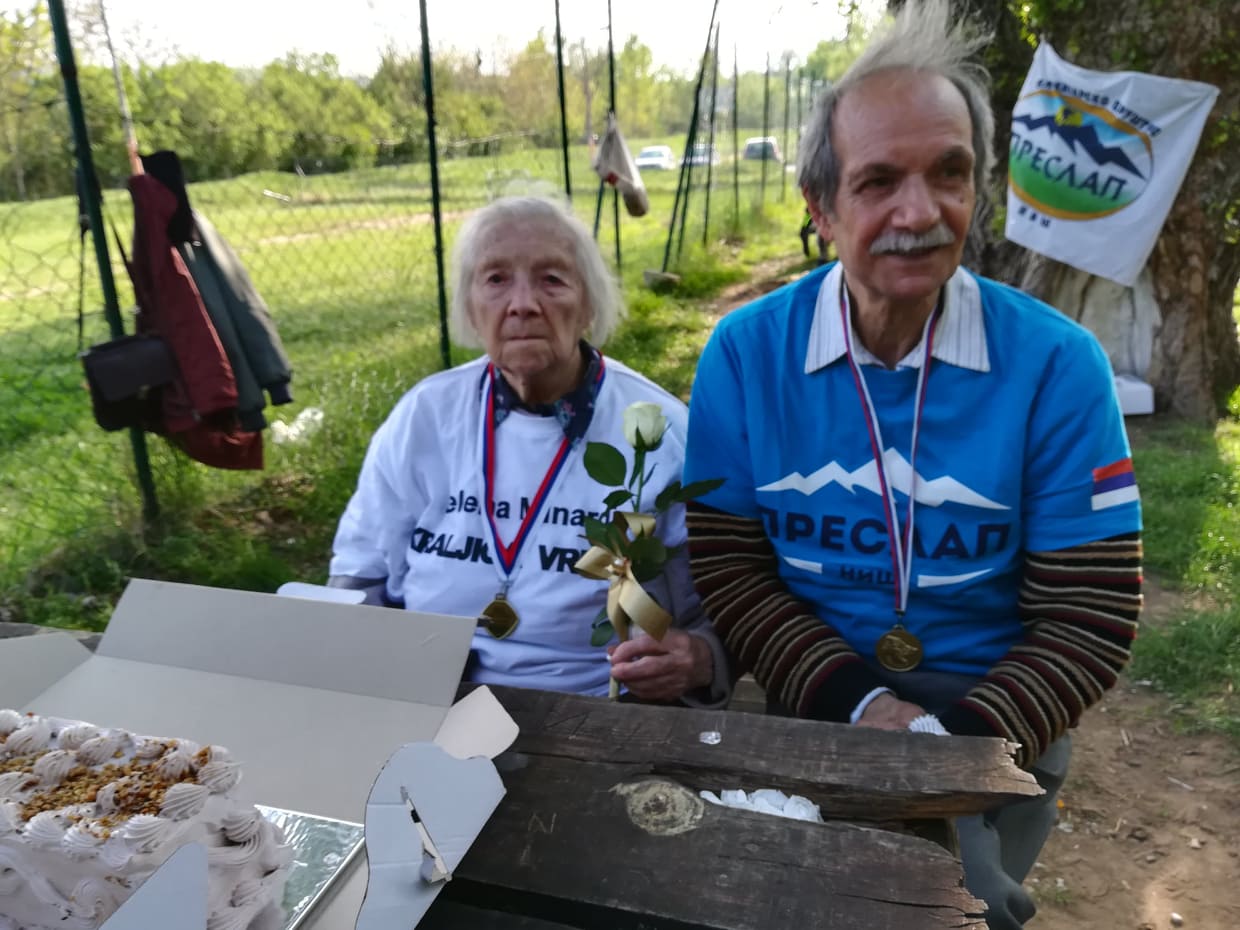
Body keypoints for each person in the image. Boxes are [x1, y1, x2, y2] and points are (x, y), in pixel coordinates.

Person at [681, 2, 1141, 928]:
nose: (919, 213)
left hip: (997, 715)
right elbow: (731, 569)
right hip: (821, 698)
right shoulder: (745, 354)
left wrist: (947, 746)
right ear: (821, 207)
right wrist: (864, 711)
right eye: (879, 180)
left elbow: (1089, 615)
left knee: (957, 911)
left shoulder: (1058, 365)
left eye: (950, 173)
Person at [329, 195, 728, 707]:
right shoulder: (424, 416)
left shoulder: (656, 430)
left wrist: (699, 658)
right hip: (431, 696)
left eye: (551, 279)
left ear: (589, 303)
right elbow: (360, 575)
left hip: (599, 708)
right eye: (495, 279)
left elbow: (716, 613)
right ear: (471, 308)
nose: (522, 304)